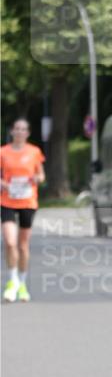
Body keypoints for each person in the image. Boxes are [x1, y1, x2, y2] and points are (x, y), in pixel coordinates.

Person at [1, 118, 46, 303]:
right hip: (7, 201)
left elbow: (41, 175)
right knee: (10, 242)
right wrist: (2, 183)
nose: (20, 132)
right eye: (17, 129)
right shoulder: (3, 152)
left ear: (27, 133)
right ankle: (12, 282)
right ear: (12, 131)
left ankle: (22, 283)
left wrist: (37, 179)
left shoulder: (34, 152)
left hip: (27, 201)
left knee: (23, 245)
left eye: (23, 129)